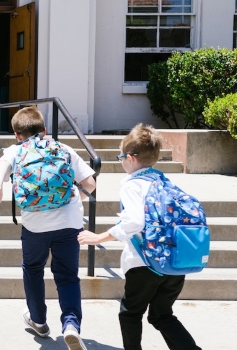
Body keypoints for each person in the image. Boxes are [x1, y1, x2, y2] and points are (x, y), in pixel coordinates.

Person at [78, 124, 201, 350]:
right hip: (174, 262)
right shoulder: (164, 182)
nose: (121, 160)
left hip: (144, 263)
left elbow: (134, 222)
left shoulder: (132, 185)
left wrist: (98, 238)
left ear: (131, 158)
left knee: (130, 314)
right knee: (162, 315)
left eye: (121, 156)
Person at [0, 106, 95, 350]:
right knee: (67, 275)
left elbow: (1, 168)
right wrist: (74, 198)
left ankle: (38, 320)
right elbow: (90, 182)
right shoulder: (63, 148)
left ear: (17, 134)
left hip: (35, 224)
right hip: (69, 223)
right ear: (44, 130)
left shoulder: (16, 150)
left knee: (33, 269)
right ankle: (70, 325)